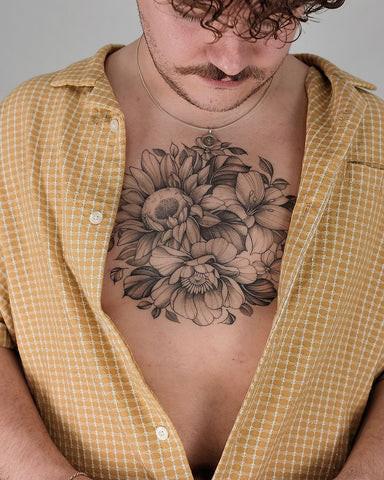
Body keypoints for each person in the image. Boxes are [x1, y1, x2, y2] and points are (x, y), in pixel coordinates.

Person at [0, 0, 383, 479]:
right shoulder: (27, 126)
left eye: (272, 20)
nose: (231, 59)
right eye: (197, 15)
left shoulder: (373, 137)